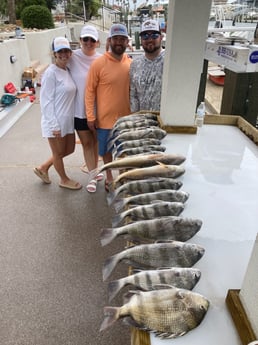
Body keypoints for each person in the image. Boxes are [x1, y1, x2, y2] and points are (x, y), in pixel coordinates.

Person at [85, 23, 131, 191]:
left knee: (124, 151)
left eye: (122, 39)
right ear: (110, 40)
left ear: (127, 42)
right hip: (104, 120)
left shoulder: (131, 63)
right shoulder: (98, 64)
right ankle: (109, 177)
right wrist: (90, 116)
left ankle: (124, 176)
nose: (119, 42)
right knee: (106, 151)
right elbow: (89, 91)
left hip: (127, 120)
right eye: (116, 38)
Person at [33, 37, 82, 190]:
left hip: (67, 121)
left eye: (66, 51)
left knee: (69, 150)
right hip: (55, 121)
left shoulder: (66, 70)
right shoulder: (50, 73)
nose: (63, 54)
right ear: (54, 53)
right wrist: (53, 124)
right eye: (60, 51)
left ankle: (43, 167)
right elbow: (45, 101)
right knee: (58, 152)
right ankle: (63, 179)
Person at [68, 25, 103, 193]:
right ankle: (92, 176)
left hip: (99, 110)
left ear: (97, 42)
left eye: (92, 40)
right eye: (85, 39)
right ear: (80, 40)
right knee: (87, 143)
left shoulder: (102, 59)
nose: (89, 42)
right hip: (79, 110)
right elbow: (57, 65)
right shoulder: (72, 57)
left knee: (96, 141)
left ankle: (94, 171)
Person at [130, 19, 165, 112]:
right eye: (145, 36)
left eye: (154, 35)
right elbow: (133, 95)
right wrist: (135, 117)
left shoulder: (170, 60)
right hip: (143, 122)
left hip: (166, 122)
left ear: (161, 37)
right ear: (140, 39)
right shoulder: (135, 64)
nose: (150, 39)